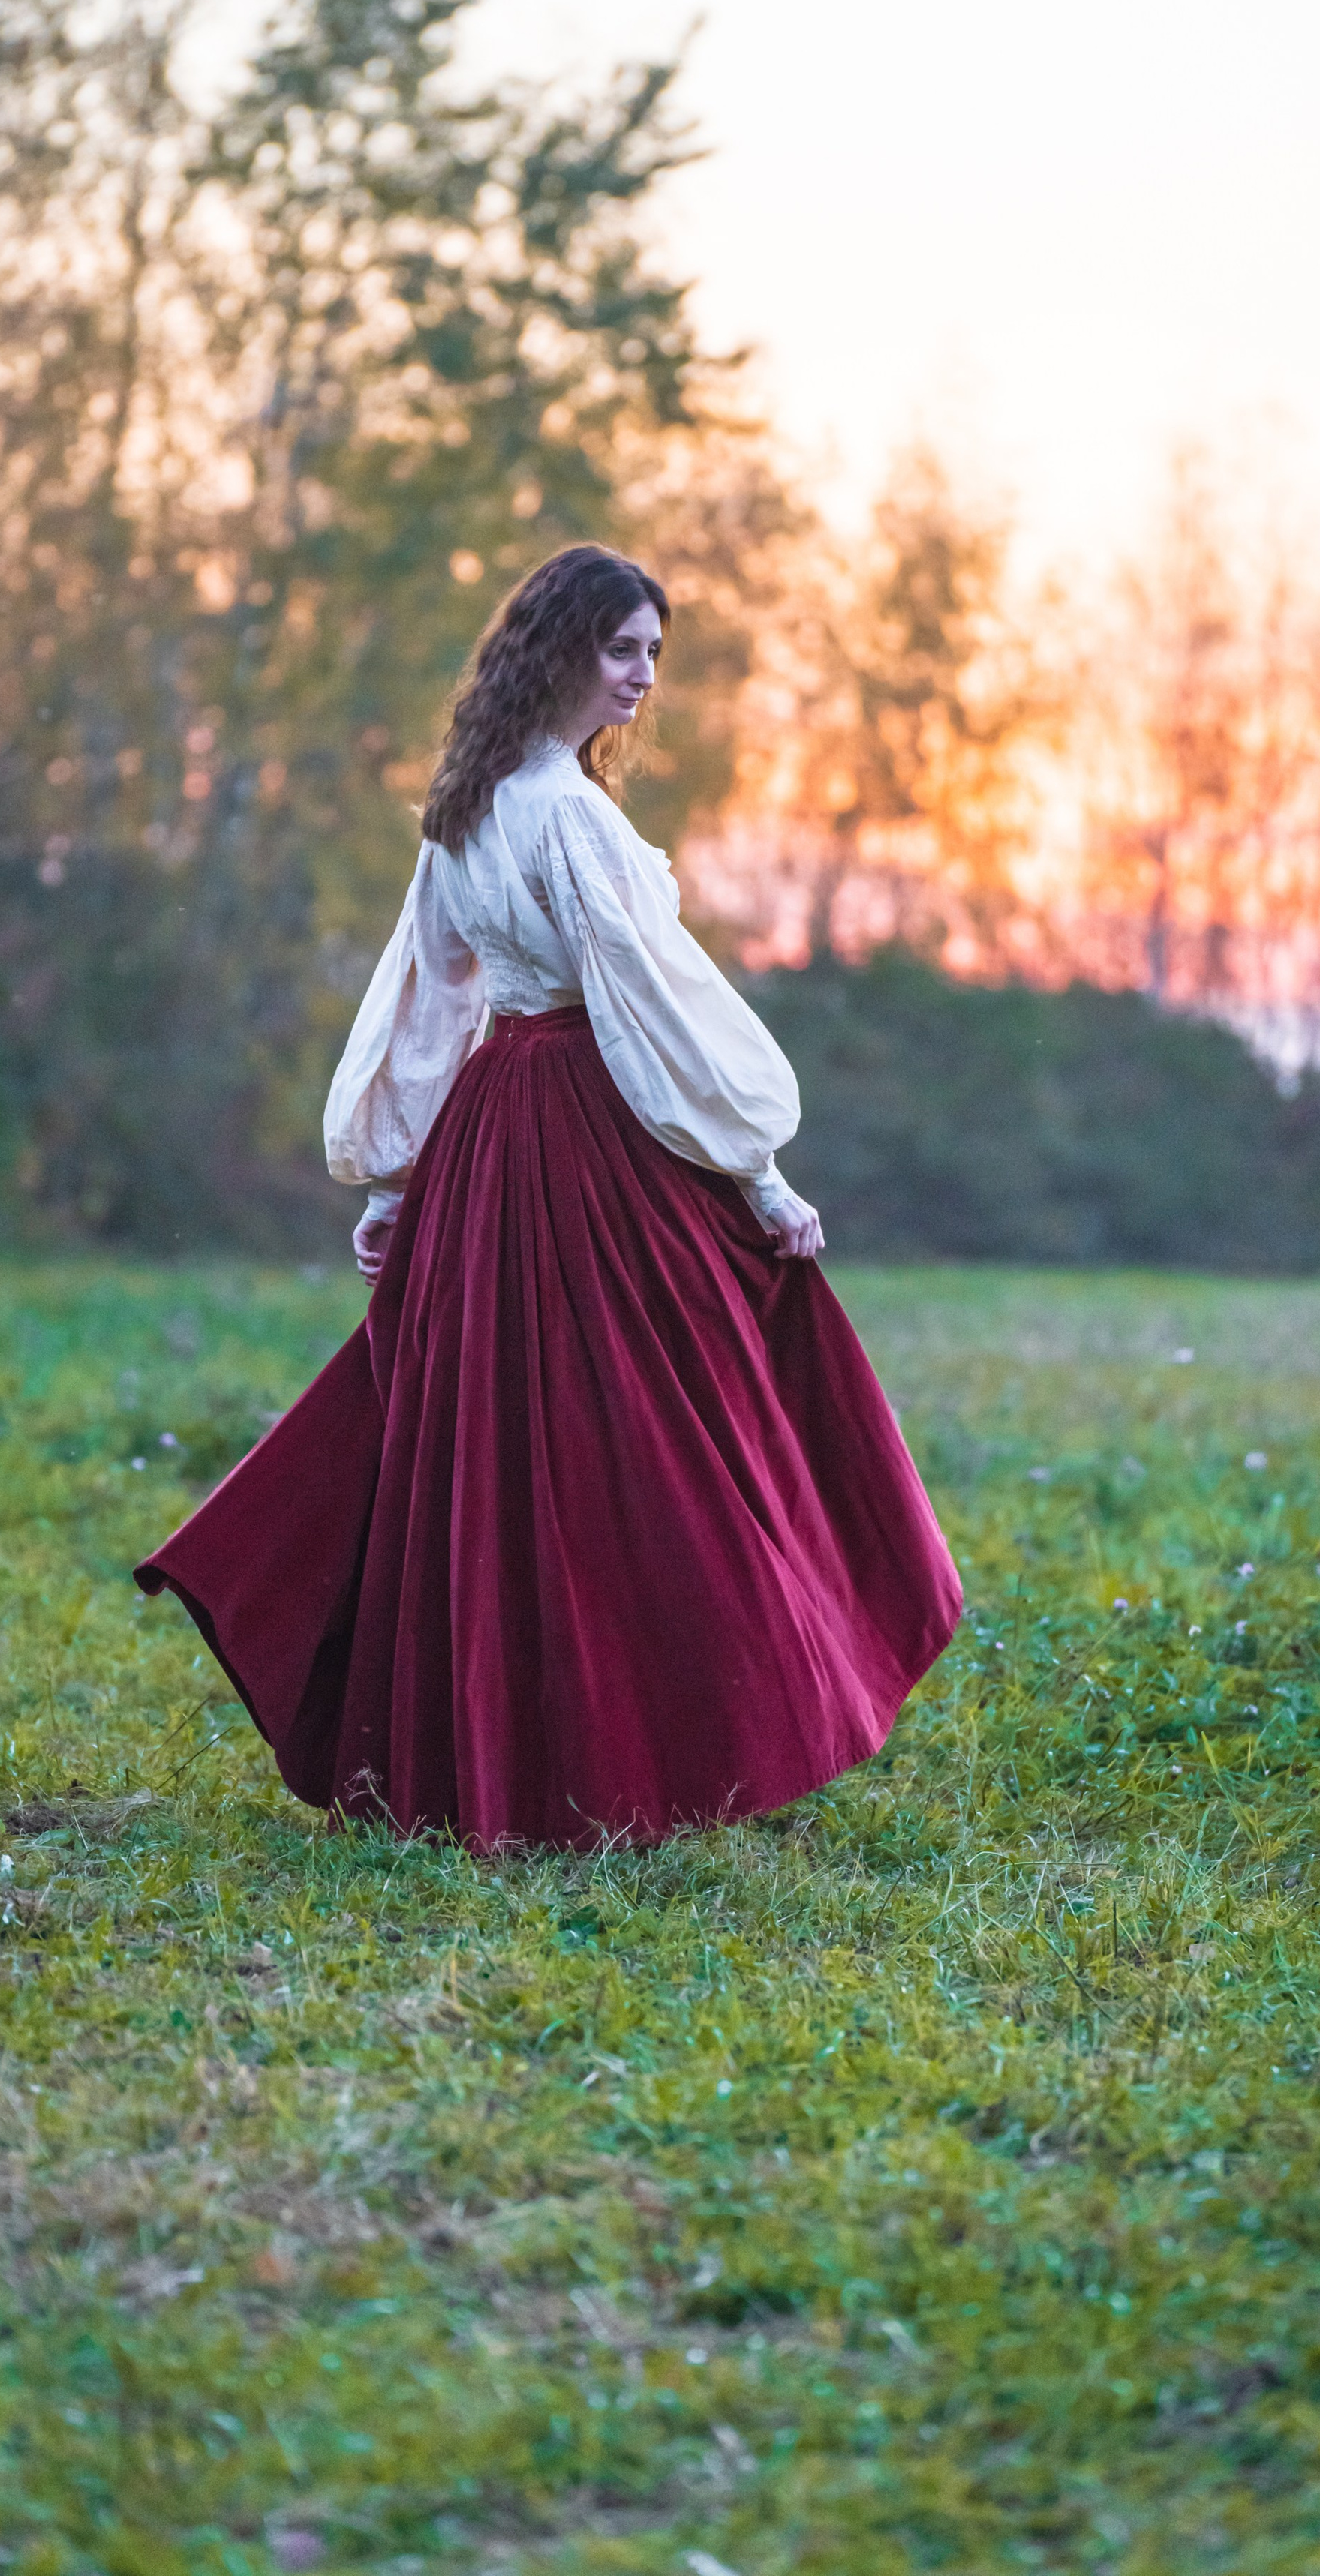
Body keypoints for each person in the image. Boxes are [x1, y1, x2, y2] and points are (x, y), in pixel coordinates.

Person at [136, 544, 961, 1850]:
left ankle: (516, 1756)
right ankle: (670, 1735)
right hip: (579, 1122)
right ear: (563, 649)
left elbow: (437, 1008)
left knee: (512, 1441)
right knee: (662, 1433)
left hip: (490, 1135)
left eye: (651, 654)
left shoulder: (467, 808)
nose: (642, 676)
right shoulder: (568, 818)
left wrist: (406, 1184)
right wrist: (758, 1178)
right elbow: (646, 1012)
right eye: (623, 649)